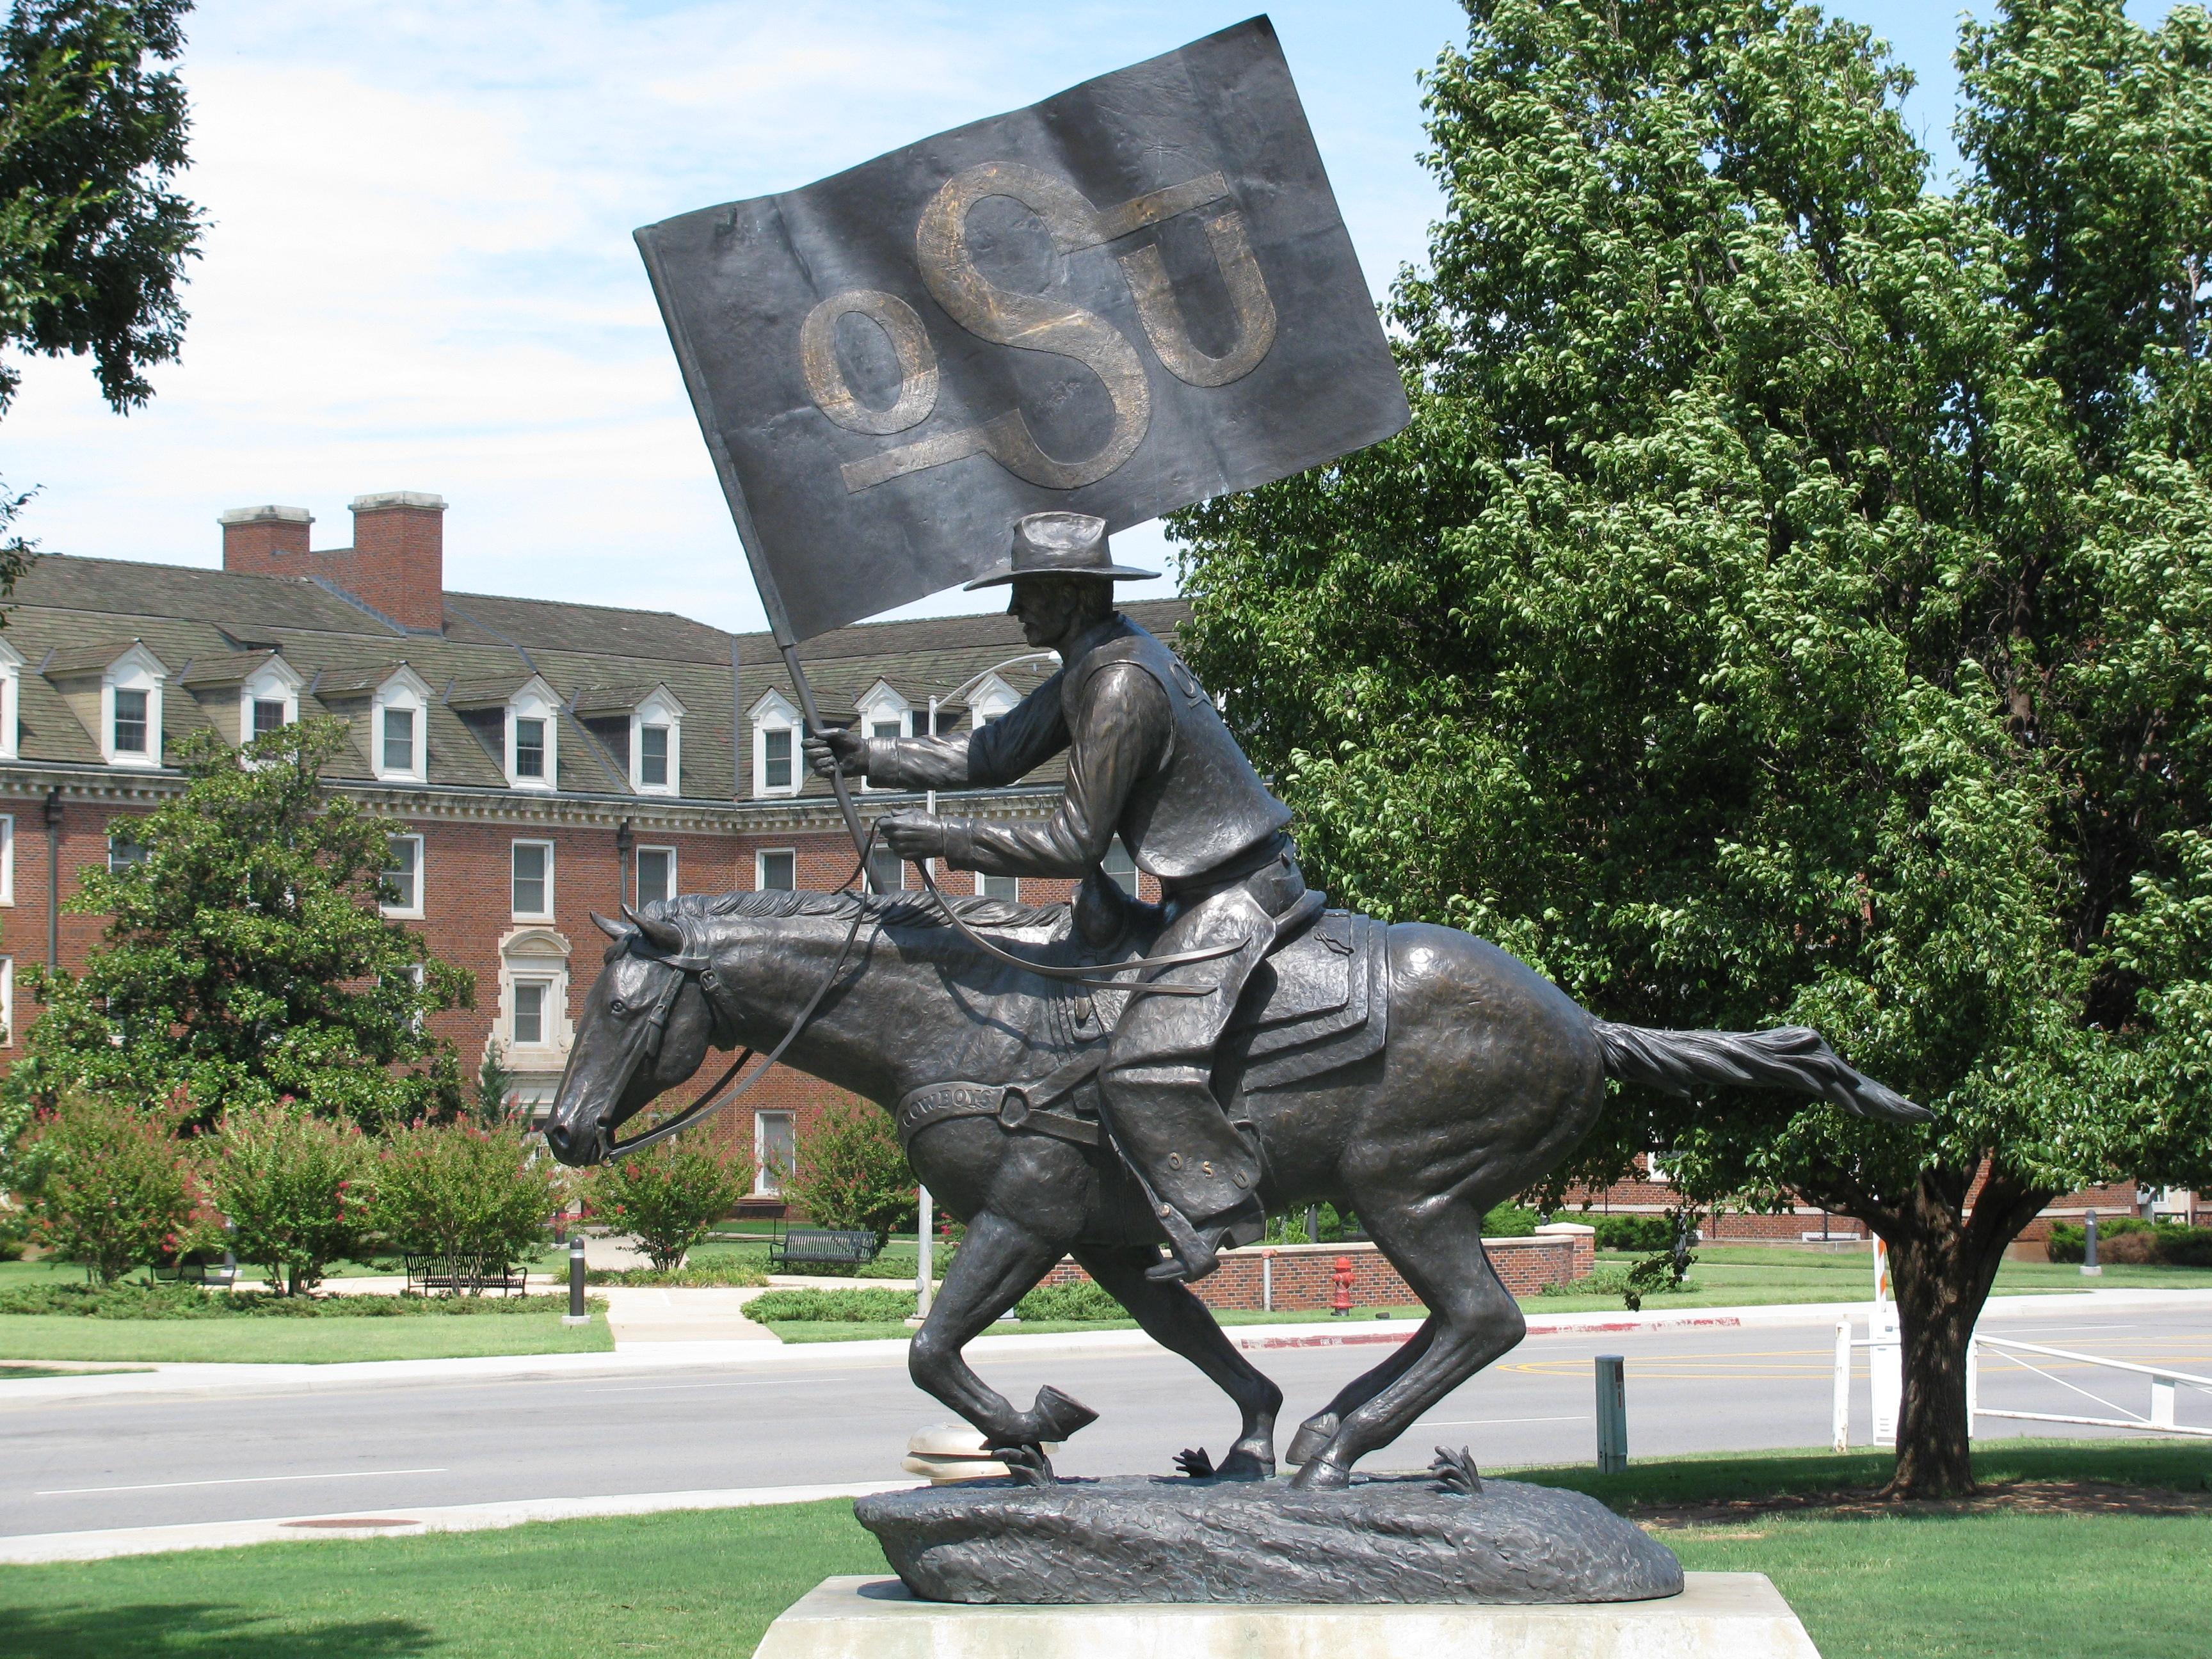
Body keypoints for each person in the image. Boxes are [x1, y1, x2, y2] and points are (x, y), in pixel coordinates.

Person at [805, 511, 1305, 1282]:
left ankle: (1211, 1212)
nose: (1014, 611)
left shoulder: (1118, 685)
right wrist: (870, 753)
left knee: (1141, 1058)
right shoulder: (1092, 661)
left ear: (1071, 594)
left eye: (1027, 593)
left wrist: (946, 842)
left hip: (1237, 893)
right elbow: (995, 751)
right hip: (1191, 890)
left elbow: (1075, 845)